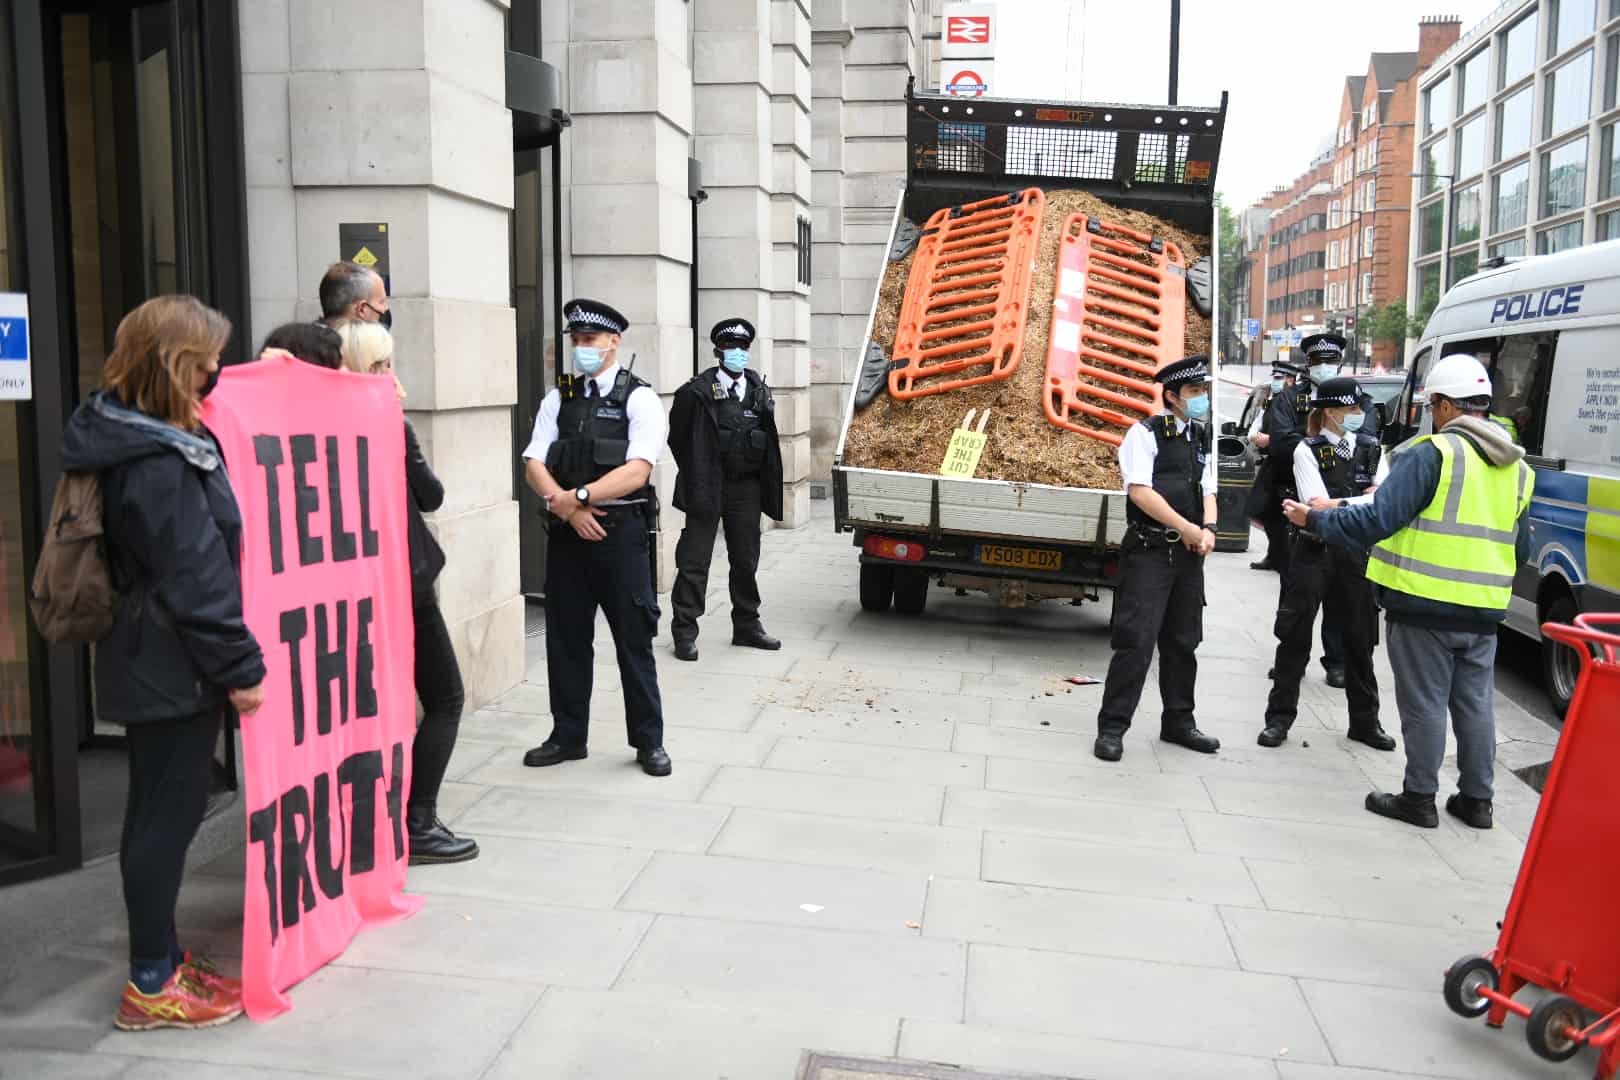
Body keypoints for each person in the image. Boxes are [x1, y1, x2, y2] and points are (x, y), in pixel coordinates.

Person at [60, 295, 266, 1030]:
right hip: (171, 662)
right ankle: (151, 983)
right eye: (205, 357)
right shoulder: (154, 458)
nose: (216, 368)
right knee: (163, 820)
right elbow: (196, 577)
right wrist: (241, 670)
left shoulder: (133, 432)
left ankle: (163, 960)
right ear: (173, 363)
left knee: (157, 813)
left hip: (155, 653)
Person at [1285, 354, 1534, 830]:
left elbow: (1378, 519)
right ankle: (1477, 801)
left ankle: (1419, 798)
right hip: (1484, 610)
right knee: (1476, 704)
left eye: (1430, 406)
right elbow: (1519, 548)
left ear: (1443, 405)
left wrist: (1314, 519)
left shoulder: (1432, 453)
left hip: (1424, 604)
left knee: (1424, 704)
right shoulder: (1518, 469)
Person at [318, 318, 480, 862]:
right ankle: (418, 822)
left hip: (347, 591)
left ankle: (361, 822)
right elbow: (430, 495)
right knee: (445, 697)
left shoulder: (317, 427)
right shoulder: (384, 422)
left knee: (363, 709)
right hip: (403, 584)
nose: (393, 375)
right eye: (384, 365)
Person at [520, 299, 671, 777]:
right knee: (565, 640)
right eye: (576, 341)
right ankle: (568, 736)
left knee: (634, 640)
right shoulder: (558, 397)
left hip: (619, 536)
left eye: (590, 340)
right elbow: (533, 463)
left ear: (613, 342)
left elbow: (638, 470)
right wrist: (563, 507)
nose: (582, 348)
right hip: (567, 536)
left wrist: (579, 496)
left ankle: (649, 742)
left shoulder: (639, 398)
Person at [1094, 356, 1222, 763]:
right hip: (1151, 552)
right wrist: (1188, 529)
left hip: (1189, 556)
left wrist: (1210, 531)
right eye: (1195, 392)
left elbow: (1208, 490)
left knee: (1184, 641)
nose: (1202, 399)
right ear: (1172, 395)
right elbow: (1140, 493)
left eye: (1204, 392)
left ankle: (1179, 722)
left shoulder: (1202, 436)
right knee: (1136, 642)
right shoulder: (1144, 433)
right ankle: (1113, 728)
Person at [1259, 377, 1395, 752]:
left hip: (1354, 553)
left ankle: (1365, 723)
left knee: (1360, 639)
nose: (1359, 415)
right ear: (1331, 413)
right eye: (1352, 409)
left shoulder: (1371, 448)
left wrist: (1341, 505)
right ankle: (1278, 720)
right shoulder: (1308, 449)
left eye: (1360, 408)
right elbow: (1314, 504)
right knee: (1295, 637)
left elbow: (1382, 502)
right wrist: (1359, 501)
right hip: (1313, 551)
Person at [667, 318, 785, 661]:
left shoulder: (757, 390)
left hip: (745, 488)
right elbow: (678, 439)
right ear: (718, 351)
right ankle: (684, 632)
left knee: (745, 559)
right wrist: (698, 470)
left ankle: (747, 626)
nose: (738, 354)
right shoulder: (696, 392)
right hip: (707, 484)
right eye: (731, 348)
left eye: (743, 348)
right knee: (694, 561)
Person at [1246, 358, 1302, 574]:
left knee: (1284, 515)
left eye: (1280, 378)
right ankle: (1274, 554)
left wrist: (1272, 440)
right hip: (1271, 463)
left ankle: (1283, 558)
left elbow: (1298, 431)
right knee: (1263, 510)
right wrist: (1255, 437)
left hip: (1289, 463)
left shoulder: (1297, 400)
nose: (1276, 382)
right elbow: (1256, 423)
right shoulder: (1271, 400)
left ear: (1290, 379)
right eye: (1275, 378)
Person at [318, 261, 391, 328]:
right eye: (381, 302)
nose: (386, 308)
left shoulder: (315, 341)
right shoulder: (372, 342)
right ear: (362, 309)